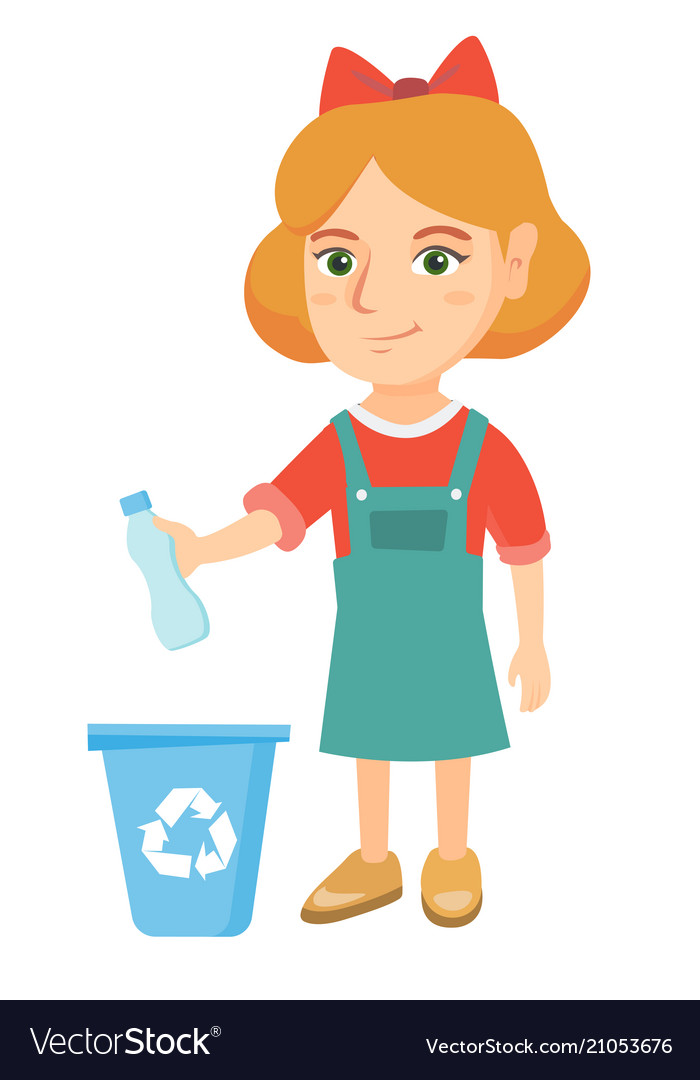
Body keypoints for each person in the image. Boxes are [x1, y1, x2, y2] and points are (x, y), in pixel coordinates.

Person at [155, 37, 589, 927]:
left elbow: (524, 549)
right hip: (369, 644)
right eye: (341, 261)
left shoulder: (485, 448)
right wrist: (197, 549)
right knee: (372, 747)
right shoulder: (338, 443)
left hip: (454, 642)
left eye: (437, 260)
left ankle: (454, 857)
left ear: (512, 266)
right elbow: (279, 521)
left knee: (453, 746)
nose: (374, 304)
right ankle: (375, 858)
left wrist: (534, 641)